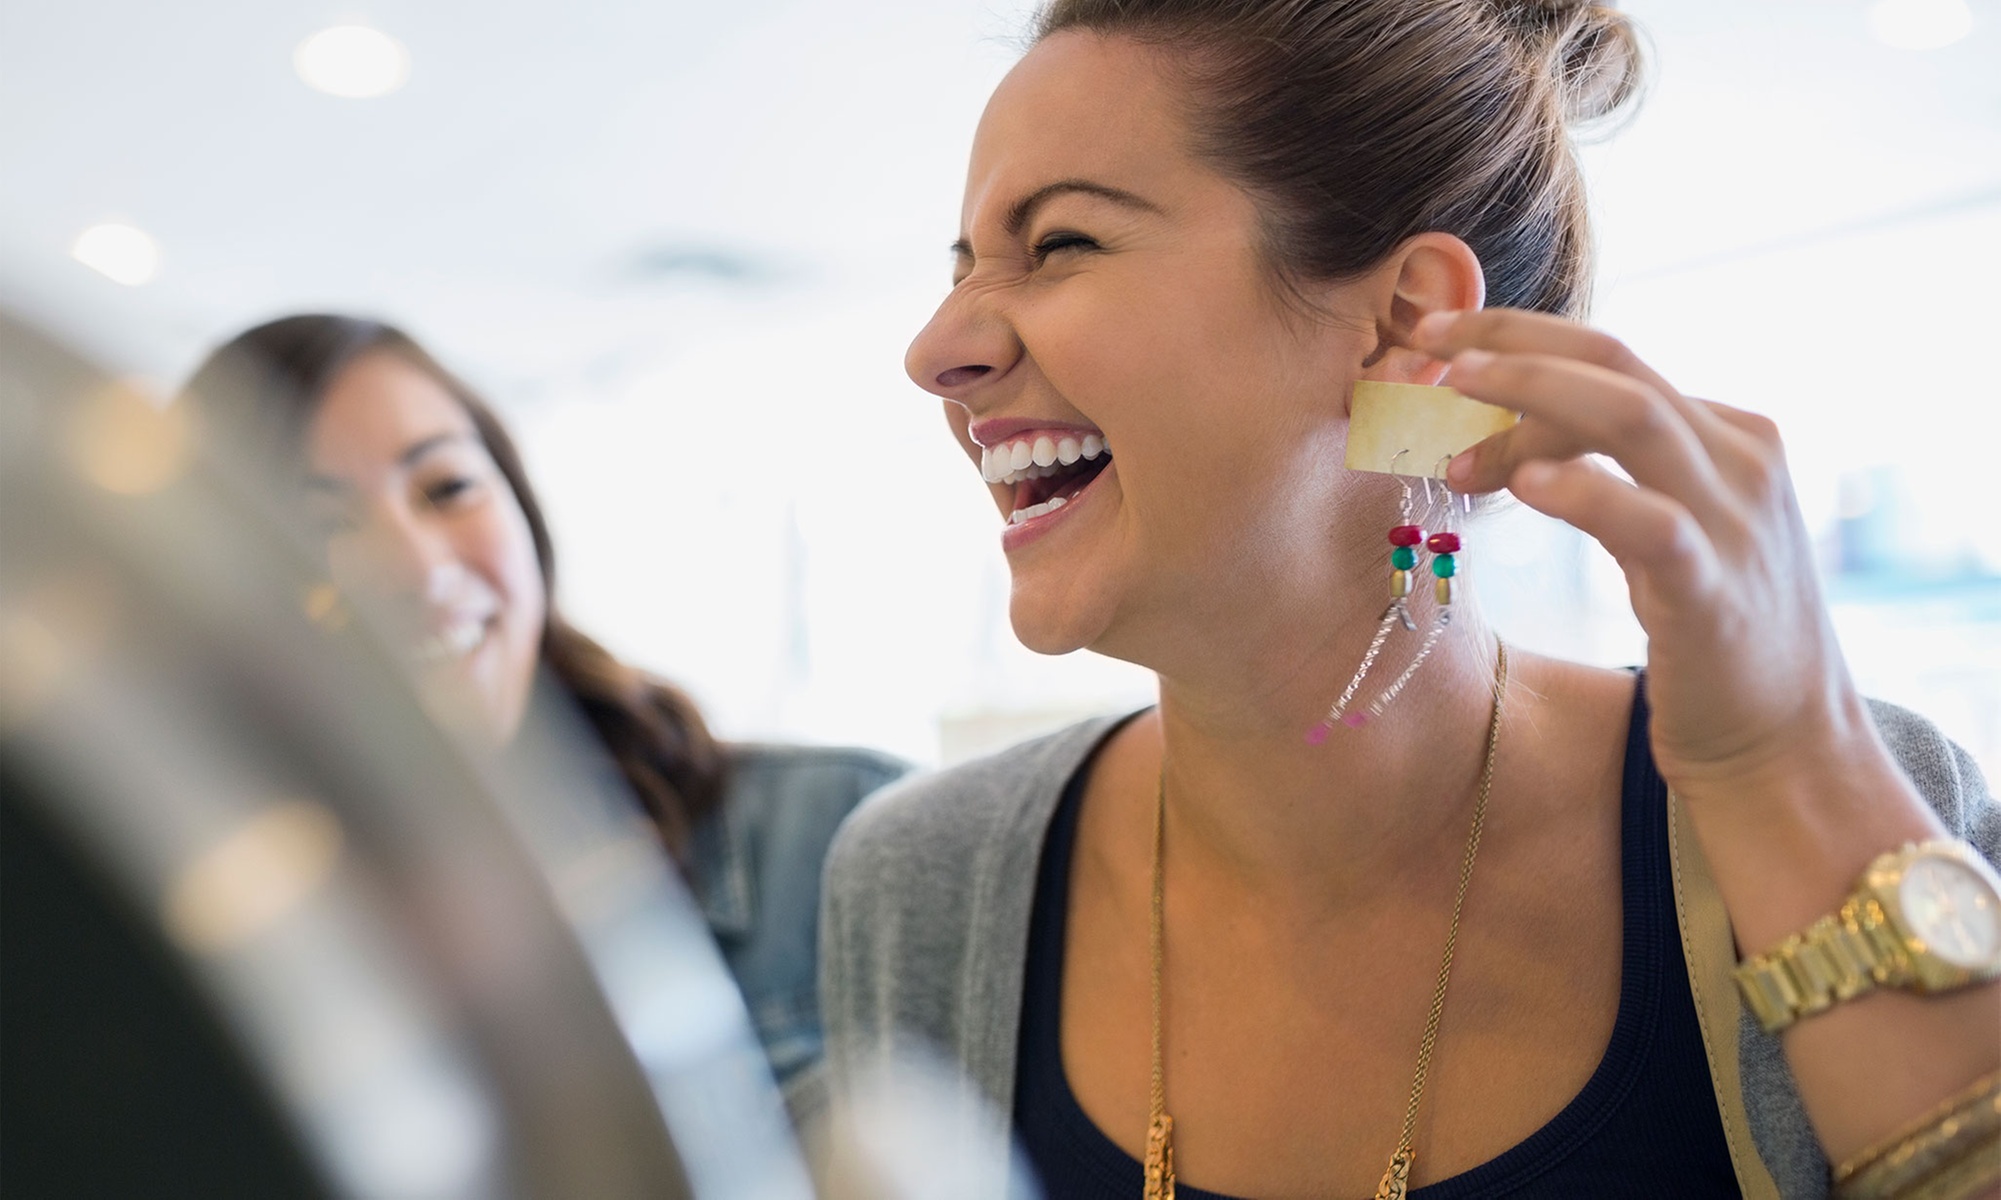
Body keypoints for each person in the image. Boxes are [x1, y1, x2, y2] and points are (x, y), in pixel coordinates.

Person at [821, 1, 2001, 1197]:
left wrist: (1787, 770)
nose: (936, 350)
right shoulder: (926, 883)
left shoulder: (1869, 813)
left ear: (1402, 324)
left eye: (1063, 243)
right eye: (963, 267)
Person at [181, 315, 908, 1106]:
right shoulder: (204, 948)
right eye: (316, 528)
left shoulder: (841, 840)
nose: (416, 569)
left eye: (447, 488)